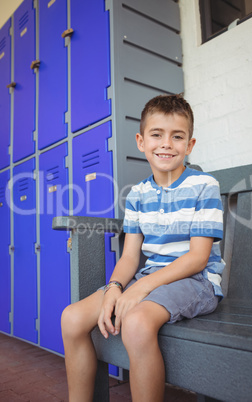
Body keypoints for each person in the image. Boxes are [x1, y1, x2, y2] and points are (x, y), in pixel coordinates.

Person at [61, 94, 225, 402]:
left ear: (189, 145)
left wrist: (140, 289)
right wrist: (115, 287)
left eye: (177, 137)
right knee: (71, 318)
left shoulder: (204, 186)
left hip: (195, 281)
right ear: (141, 141)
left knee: (136, 323)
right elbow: (130, 256)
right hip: (149, 279)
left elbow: (198, 258)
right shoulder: (137, 194)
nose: (166, 144)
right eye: (156, 135)